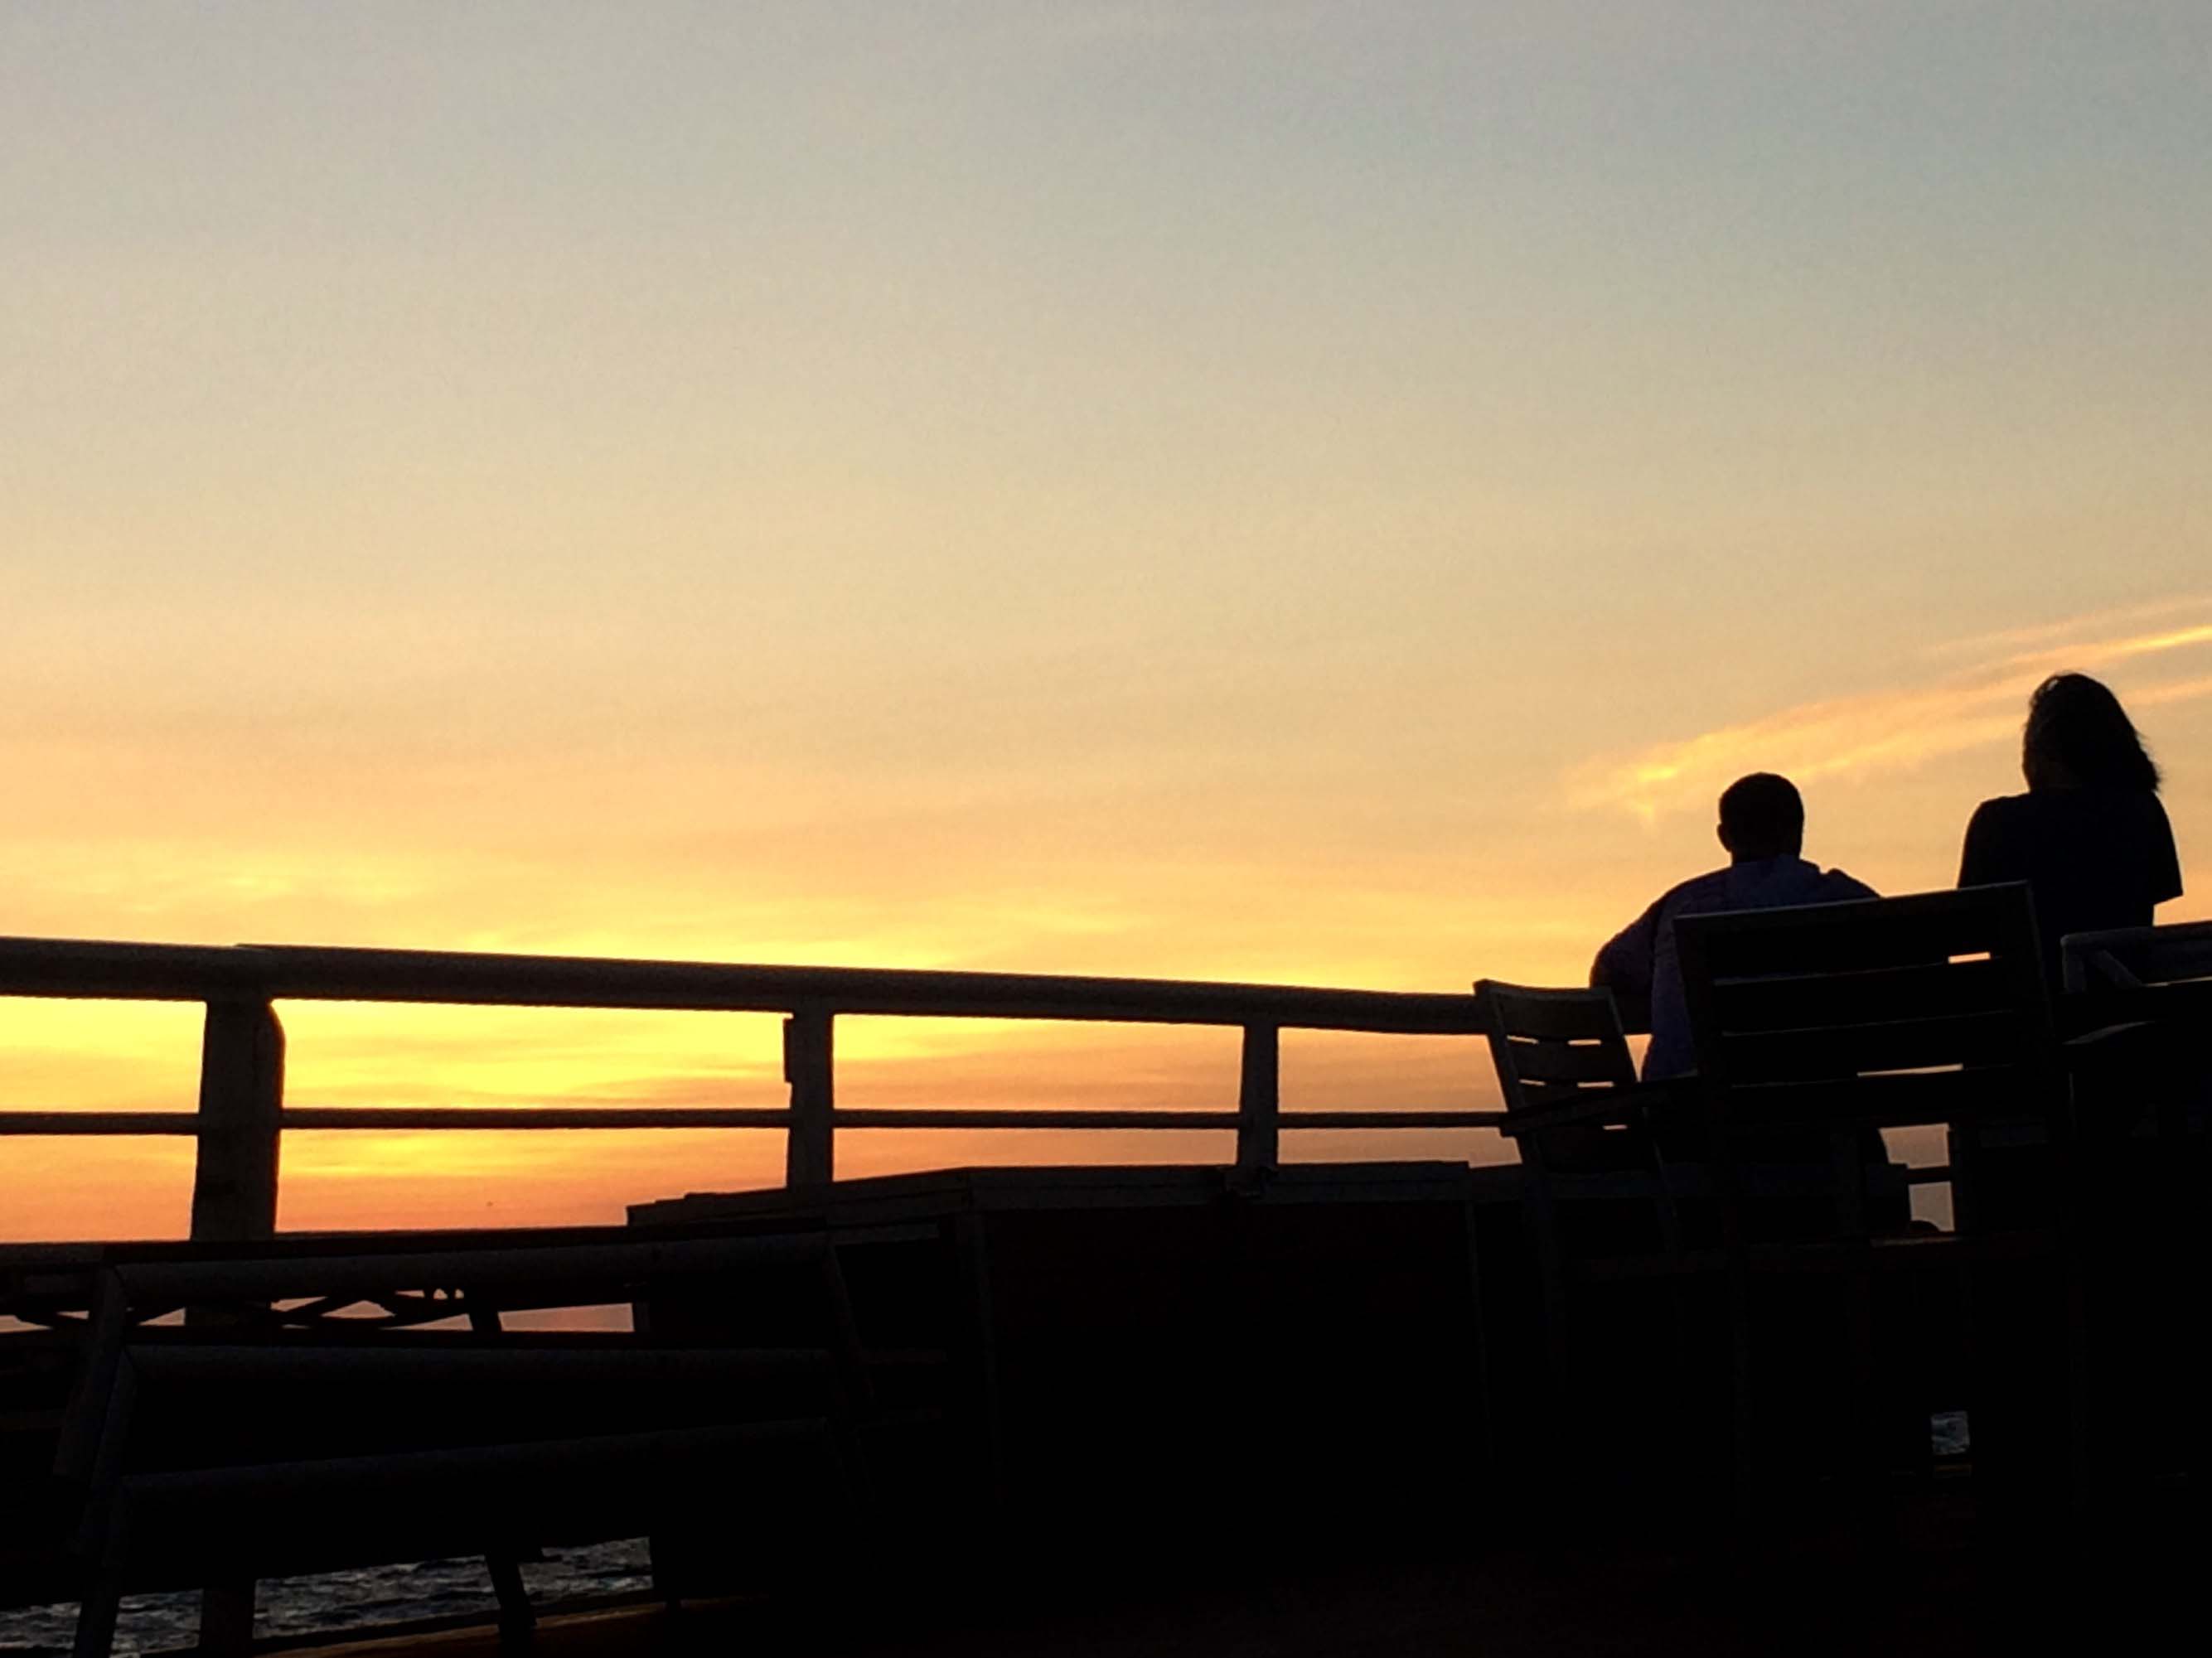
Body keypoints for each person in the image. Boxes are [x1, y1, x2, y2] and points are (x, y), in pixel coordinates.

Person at [1592, 772, 1875, 1080]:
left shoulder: (1682, 906)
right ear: (1798, 830)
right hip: (1815, 1096)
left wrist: (1676, 999)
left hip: (1688, 1101)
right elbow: (1908, 964)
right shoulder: (1843, 900)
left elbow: (1608, 974)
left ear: (1724, 837)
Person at [1958, 672, 2182, 977]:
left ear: (2042, 751)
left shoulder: (1996, 824)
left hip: (2032, 1003)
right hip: (2120, 1000)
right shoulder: (2141, 812)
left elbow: (1968, 930)